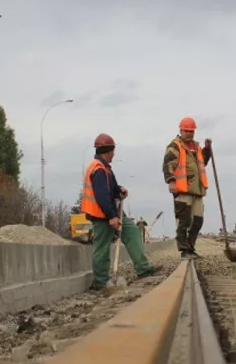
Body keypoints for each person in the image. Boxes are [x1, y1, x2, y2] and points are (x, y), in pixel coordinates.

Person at [81, 133, 159, 291]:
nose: (114, 154)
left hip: (113, 211)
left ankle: (143, 269)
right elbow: (102, 196)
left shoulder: (106, 168)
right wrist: (111, 217)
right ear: (108, 151)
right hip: (102, 215)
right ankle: (101, 282)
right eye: (113, 151)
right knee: (102, 248)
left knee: (132, 232)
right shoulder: (98, 169)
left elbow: (111, 189)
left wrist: (119, 190)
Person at [163, 117, 212, 259]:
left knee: (198, 221)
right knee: (184, 221)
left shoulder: (196, 147)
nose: (189, 134)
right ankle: (184, 250)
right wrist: (171, 182)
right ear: (181, 130)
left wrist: (207, 150)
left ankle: (190, 247)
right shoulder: (175, 146)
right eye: (187, 131)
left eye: (192, 131)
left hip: (197, 191)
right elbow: (168, 165)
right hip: (182, 190)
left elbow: (203, 162)